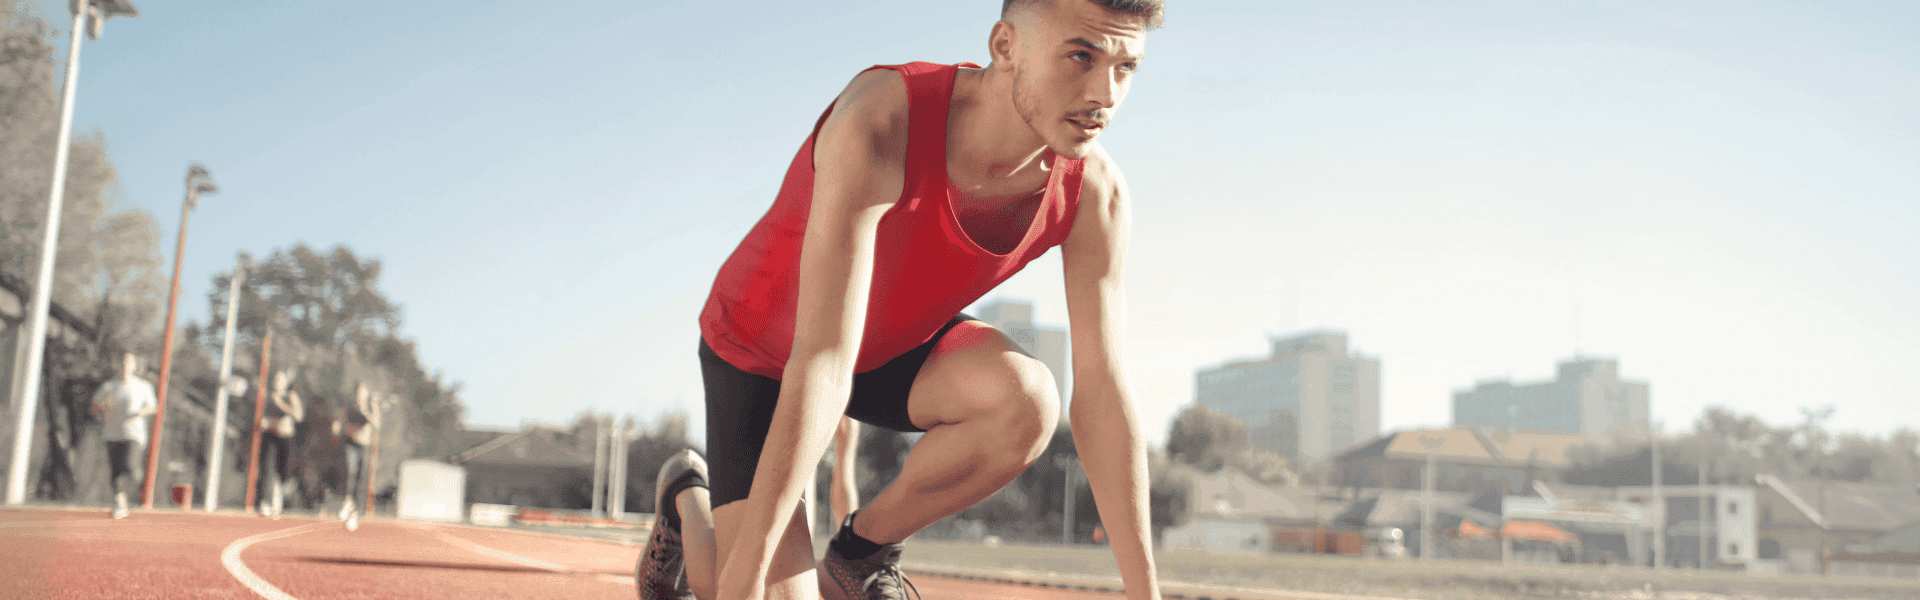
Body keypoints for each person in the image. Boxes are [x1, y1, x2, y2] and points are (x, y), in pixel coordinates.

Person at [638, 2, 1164, 600]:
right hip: (765, 353)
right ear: (1005, 47)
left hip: (888, 350)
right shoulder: (881, 120)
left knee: (1027, 401)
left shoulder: (1095, 192)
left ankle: (858, 555)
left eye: (1126, 67)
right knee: (744, 586)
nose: (1105, 94)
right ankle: (687, 498)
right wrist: (748, 575)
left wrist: (1145, 593)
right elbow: (822, 358)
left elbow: (1102, 391)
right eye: (1081, 56)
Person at [90, 352, 156, 519]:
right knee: (116, 470)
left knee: (130, 467)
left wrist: (140, 412)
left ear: (134, 366)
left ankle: (132, 487)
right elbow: (95, 407)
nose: (125, 366)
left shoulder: (143, 386)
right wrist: (103, 406)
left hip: (134, 434)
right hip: (112, 433)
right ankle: (120, 502)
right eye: (122, 362)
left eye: (129, 362)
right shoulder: (109, 387)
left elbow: (152, 406)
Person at [258, 369, 304, 517]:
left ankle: (283, 501)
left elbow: (299, 416)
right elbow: (262, 418)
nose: (278, 382)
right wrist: (267, 422)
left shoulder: (291, 396)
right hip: (270, 436)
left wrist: (281, 403)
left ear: (286, 382)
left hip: (285, 438)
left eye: (281, 380)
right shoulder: (268, 397)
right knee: (267, 468)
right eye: (276, 379)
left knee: (283, 472)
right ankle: (267, 502)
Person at [335, 382, 379, 530]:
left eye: (363, 393)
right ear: (355, 395)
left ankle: (355, 512)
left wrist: (371, 408)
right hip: (351, 445)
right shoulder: (349, 409)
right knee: (350, 471)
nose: (361, 396)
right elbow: (340, 425)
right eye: (359, 393)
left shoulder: (370, 408)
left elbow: (377, 425)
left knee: (362, 477)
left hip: (365, 447)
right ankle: (347, 502)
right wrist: (346, 430)